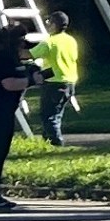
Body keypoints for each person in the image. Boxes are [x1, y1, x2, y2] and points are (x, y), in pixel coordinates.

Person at [0, 23, 36, 212]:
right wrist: (32, 80)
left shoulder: (0, 54)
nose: (24, 45)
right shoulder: (1, 58)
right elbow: (8, 83)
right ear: (14, 41)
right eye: (21, 41)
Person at [37, 8, 80, 144]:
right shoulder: (71, 40)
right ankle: (47, 141)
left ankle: (56, 142)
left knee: (48, 115)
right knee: (57, 114)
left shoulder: (50, 42)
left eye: (49, 22)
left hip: (54, 83)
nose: (47, 25)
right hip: (70, 82)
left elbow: (30, 54)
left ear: (54, 24)